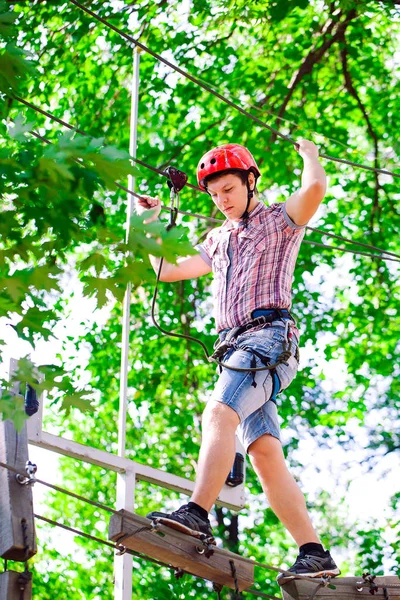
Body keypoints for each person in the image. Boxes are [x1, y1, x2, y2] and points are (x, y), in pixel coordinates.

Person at [137, 140, 340, 584]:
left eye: (228, 188)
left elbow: (316, 188)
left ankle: (195, 513)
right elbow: (166, 270)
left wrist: (310, 154)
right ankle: (314, 552)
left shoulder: (278, 222)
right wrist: (150, 222)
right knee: (264, 452)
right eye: (214, 194)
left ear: (250, 182)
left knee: (218, 413)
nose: (221, 200)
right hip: (236, 350)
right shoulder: (218, 239)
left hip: (268, 339)